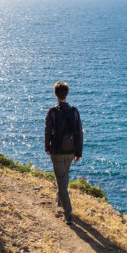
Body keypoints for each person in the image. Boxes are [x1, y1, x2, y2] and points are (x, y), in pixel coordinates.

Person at [44, 81, 83, 224]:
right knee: (64, 178)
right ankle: (60, 201)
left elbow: (47, 131)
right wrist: (79, 152)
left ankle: (68, 215)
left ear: (55, 94)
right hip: (71, 150)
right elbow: (79, 133)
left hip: (57, 151)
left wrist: (47, 147)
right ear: (66, 94)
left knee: (61, 181)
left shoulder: (52, 111)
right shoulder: (74, 111)